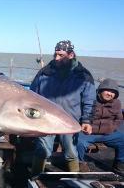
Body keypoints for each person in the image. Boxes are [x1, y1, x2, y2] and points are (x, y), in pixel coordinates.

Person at [30, 40, 96, 175]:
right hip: (46, 120)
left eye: (60, 55)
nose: (56, 58)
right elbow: (31, 95)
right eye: (55, 54)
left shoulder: (83, 75)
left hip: (70, 120)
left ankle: (74, 177)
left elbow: (89, 100)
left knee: (71, 152)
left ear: (71, 55)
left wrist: (87, 121)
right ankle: (35, 177)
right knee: (42, 150)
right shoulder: (44, 72)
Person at [77, 78, 124, 172]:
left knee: (123, 139)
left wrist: (112, 128)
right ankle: (80, 163)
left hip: (108, 133)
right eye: (107, 90)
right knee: (79, 142)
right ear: (100, 90)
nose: (110, 94)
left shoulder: (117, 103)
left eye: (113, 92)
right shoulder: (89, 100)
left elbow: (119, 119)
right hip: (89, 133)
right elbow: (79, 115)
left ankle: (119, 163)